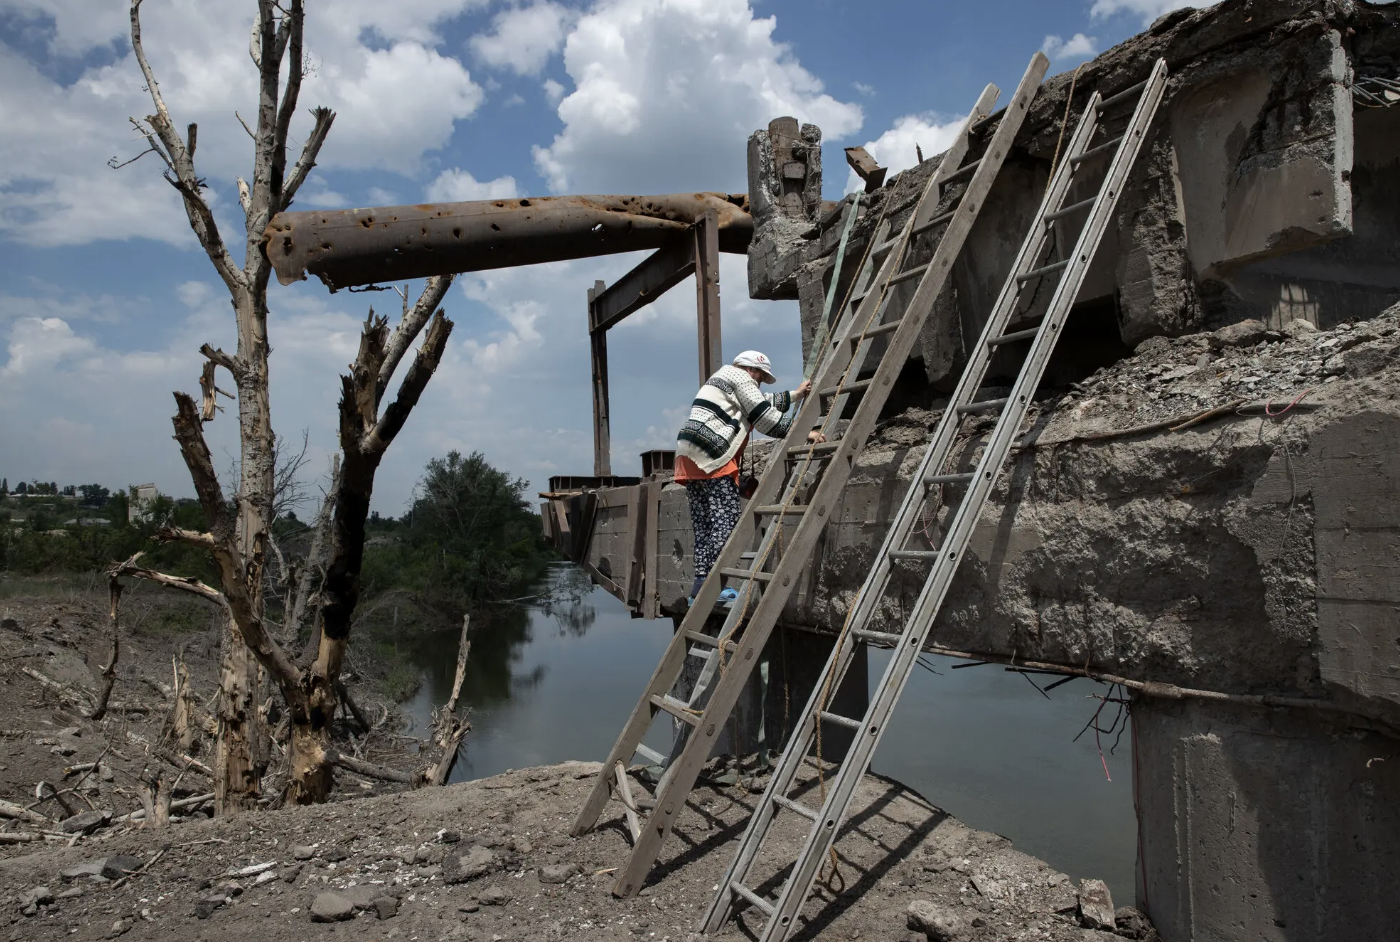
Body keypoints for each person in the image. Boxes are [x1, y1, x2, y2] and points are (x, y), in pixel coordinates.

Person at [674, 350, 826, 606]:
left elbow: (762, 400)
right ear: (753, 371)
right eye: (761, 378)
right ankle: (714, 589)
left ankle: (699, 588)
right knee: (725, 521)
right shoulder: (742, 379)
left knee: (704, 526)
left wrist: (796, 394)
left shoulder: (723, 377)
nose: (760, 383)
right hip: (713, 457)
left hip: (689, 456)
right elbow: (765, 417)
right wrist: (804, 432)